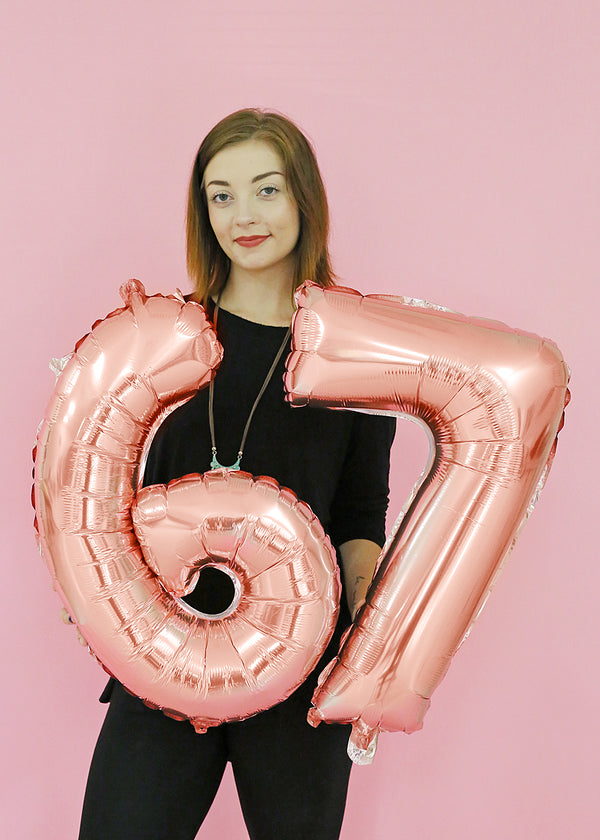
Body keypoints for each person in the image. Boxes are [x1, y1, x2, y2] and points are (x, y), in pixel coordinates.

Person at [77, 108, 396, 840]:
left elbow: (359, 514)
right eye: (221, 196)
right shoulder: (164, 337)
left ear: (304, 200)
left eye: (266, 190)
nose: (243, 216)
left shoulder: (353, 355)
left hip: (300, 664)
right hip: (163, 654)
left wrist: (372, 613)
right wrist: (90, 575)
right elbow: (105, 482)